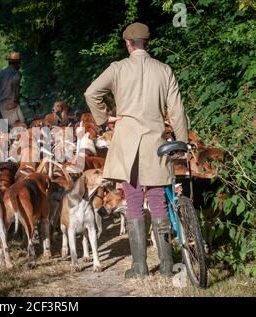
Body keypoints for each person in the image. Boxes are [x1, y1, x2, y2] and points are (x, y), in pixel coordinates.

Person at [84, 22, 188, 278]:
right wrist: (182, 143)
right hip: (155, 143)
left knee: (132, 199)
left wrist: (104, 118)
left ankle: (140, 267)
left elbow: (91, 93)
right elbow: (177, 111)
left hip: (127, 142)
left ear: (128, 43)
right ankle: (166, 267)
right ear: (147, 42)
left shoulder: (118, 68)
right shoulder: (165, 70)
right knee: (157, 199)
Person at [0, 52, 25, 127]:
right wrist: (15, 101)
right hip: (11, 108)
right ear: (16, 63)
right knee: (22, 130)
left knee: (4, 133)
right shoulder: (17, 74)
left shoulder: (0, 74)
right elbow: (16, 92)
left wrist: (2, 97)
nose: (20, 65)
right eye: (19, 63)